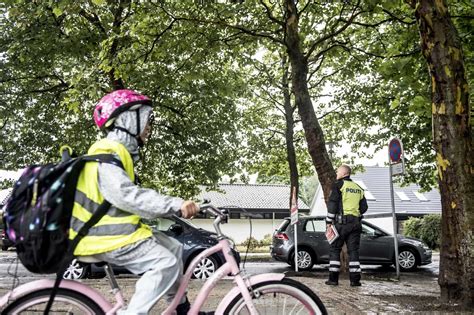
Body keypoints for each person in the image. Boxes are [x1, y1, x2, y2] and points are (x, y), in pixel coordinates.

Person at [70, 89, 204, 314]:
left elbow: (131, 198)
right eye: (145, 118)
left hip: (116, 235)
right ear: (128, 119)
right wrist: (176, 205)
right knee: (165, 264)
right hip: (104, 238)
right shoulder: (107, 151)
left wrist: (173, 207)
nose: (149, 126)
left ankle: (181, 309)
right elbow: (127, 196)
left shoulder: (118, 152)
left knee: (172, 248)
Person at [325, 164, 368, 287]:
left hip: (341, 224)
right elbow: (364, 207)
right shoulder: (358, 188)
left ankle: (333, 279)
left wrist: (329, 222)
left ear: (344, 173)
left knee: (335, 249)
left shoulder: (339, 185)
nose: (336, 174)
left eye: (338, 172)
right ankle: (355, 280)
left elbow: (332, 205)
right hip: (355, 224)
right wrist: (356, 214)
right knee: (353, 251)